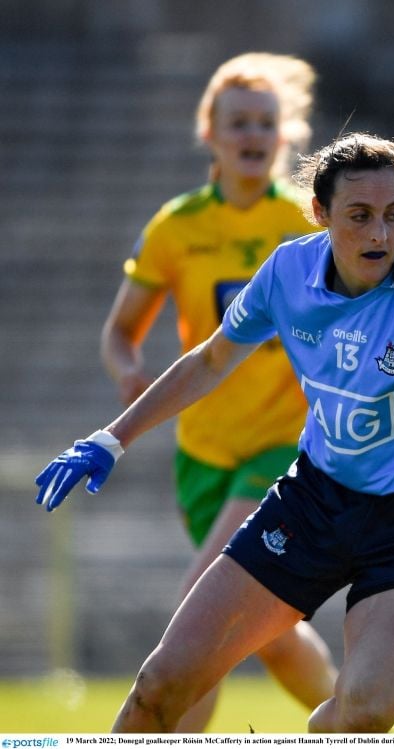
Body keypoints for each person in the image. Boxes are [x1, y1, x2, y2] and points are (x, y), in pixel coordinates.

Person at [36, 132, 394, 732]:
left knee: (362, 714)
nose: (380, 236)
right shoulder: (288, 271)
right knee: (159, 689)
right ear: (319, 212)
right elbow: (210, 361)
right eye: (359, 216)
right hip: (314, 502)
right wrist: (112, 438)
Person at [96, 52, 337, 730]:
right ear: (210, 133)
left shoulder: (305, 224)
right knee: (269, 631)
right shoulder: (177, 227)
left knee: (202, 608)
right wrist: (126, 368)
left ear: (286, 134)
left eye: (266, 121)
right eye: (238, 122)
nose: (253, 134)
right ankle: (361, 717)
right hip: (202, 456)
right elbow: (119, 329)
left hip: (284, 448)